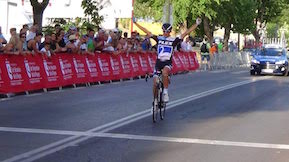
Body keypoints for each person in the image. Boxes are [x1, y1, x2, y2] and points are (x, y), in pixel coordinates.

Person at [133, 17, 202, 103]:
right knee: (155, 83)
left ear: (170, 32)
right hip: (158, 62)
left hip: (167, 62)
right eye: (164, 31)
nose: (165, 33)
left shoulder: (174, 40)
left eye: (167, 31)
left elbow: (186, 32)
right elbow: (147, 31)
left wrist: (196, 24)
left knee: (165, 73)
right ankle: (154, 101)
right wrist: (136, 23)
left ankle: (165, 92)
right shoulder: (158, 38)